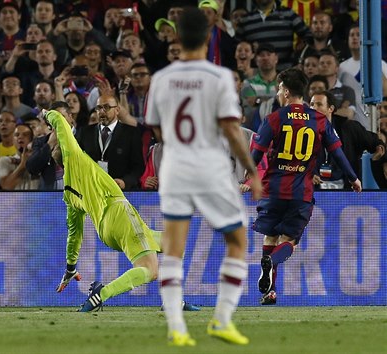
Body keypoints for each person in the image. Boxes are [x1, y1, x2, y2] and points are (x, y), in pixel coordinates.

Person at [145, 7, 262, 347]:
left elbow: (156, 127)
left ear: (177, 38)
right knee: (237, 241)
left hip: (176, 168)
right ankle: (222, 319)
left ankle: (176, 327)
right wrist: (252, 172)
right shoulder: (219, 78)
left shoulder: (161, 79)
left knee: (173, 249)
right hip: (210, 167)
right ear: (210, 36)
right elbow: (230, 128)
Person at [44, 106, 198, 316]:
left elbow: (75, 235)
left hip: (106, 231)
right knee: (150, 270)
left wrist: (71, 268)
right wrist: (47, 114)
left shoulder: (69, 195)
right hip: (119, 214)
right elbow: (61, 122)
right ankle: (102, 294)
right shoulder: (76, 157)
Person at [251, 68, 362, 307]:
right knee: (289, 240)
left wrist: (247, 178)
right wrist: (353, 178)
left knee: (271, 236)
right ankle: (271, 269)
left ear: (287, 91)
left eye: (280, 88)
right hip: (301, 191)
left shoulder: (275, 118)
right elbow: (337, 153)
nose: (279, 92)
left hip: (273, 189)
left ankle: (270, 290)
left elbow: (256, 153)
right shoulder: (319, 119)